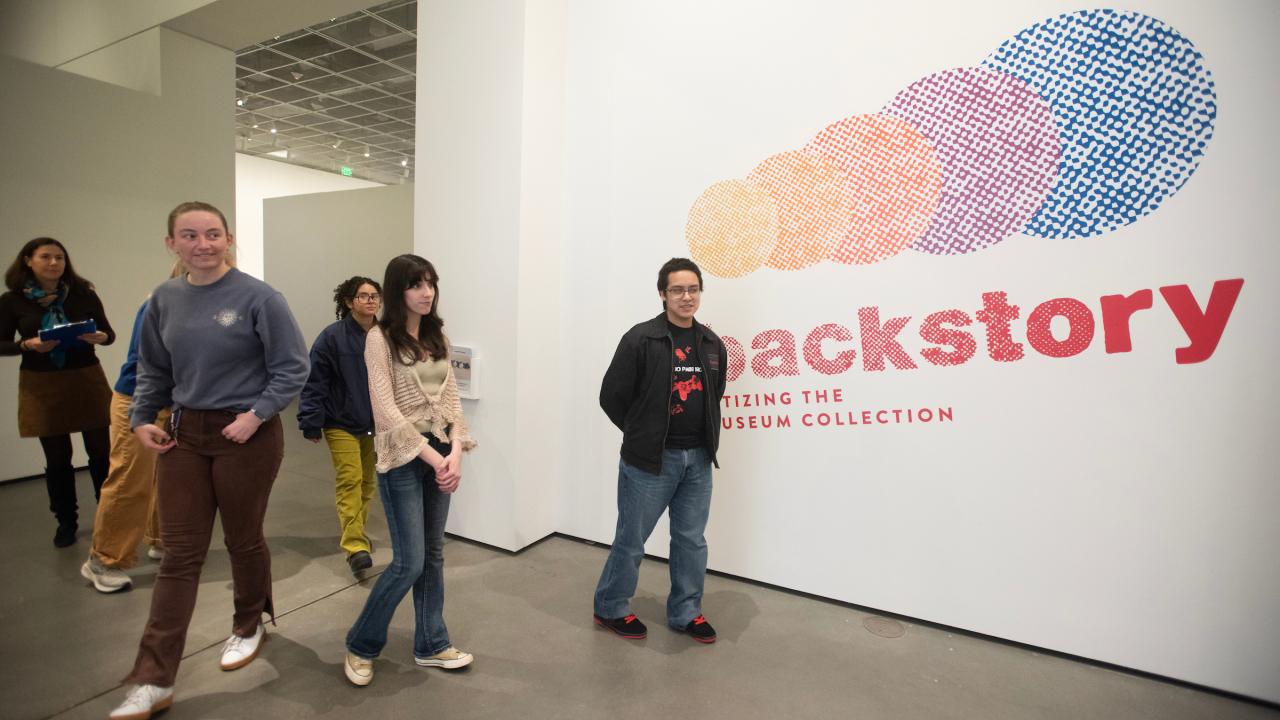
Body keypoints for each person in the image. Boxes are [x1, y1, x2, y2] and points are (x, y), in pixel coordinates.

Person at [109, 201, 309, 720]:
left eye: (213, 234)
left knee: (243, 539)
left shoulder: (260, 297)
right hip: (183, 437)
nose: (203, 244)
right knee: (179, 555)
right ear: (171, 243)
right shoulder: (163, 300)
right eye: (190, 235)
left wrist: (256, 414)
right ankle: (152, 679)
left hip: (246, 434)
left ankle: (248, 624)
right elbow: (151, 369)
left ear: (229, 239)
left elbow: (292, 367)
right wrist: (141, 419)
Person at [343, 254, 476, 688]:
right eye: (417, 285)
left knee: (434, 555)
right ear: (399, 290)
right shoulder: (379, 339)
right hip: (403, 457)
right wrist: (434, 457)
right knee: (409, 561)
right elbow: (384, 411)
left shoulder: (437, 335)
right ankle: (361, 645)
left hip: (440, 451)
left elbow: (452, 400)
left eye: (431, 284)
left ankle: (432, 643)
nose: (427, 293)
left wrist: (455, 450)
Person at [593, 257, 728, 644]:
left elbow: (714, 395)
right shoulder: (642, 339)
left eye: (693, 289)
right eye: (677, 290)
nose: (686, 297)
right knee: (631, 540)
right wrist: (642, 433)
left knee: (691, 540)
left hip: (698, 459)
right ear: (663, 295)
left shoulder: (711, 343)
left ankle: (686, 612)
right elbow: (612, 396)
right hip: (650, 461)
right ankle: (611, 607)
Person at [1, 237, 115, 548]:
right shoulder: (12, 301)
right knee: (58, 458)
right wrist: (27, 344)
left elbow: (109, 334)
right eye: (46, 257)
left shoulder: (82, 294)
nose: (54, 263)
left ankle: (109, 514)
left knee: (101, 452)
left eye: (60, 257)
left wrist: (100, 336)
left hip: (85, 379)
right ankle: (66, 520)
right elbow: (2, 343)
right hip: (42, 384)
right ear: (28, 260)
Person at [80, 262, 186, 593]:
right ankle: (102, 560)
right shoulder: (158, 305)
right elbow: (146, 364)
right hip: (140, 401)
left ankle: (160, 540)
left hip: (174, 405)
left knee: (168, 479)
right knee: (129, 481)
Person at [298, 276, 382, 576]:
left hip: (376, 424)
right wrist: (310, 421)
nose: (371, 300)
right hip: (341, 422)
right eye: (363, 296)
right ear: (349, 302)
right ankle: (356, 546)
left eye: (375, 296)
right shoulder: (331, 338)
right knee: (350, 479)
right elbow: (315, 381)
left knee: (368, 483)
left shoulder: (385, 336)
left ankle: (356, 531)